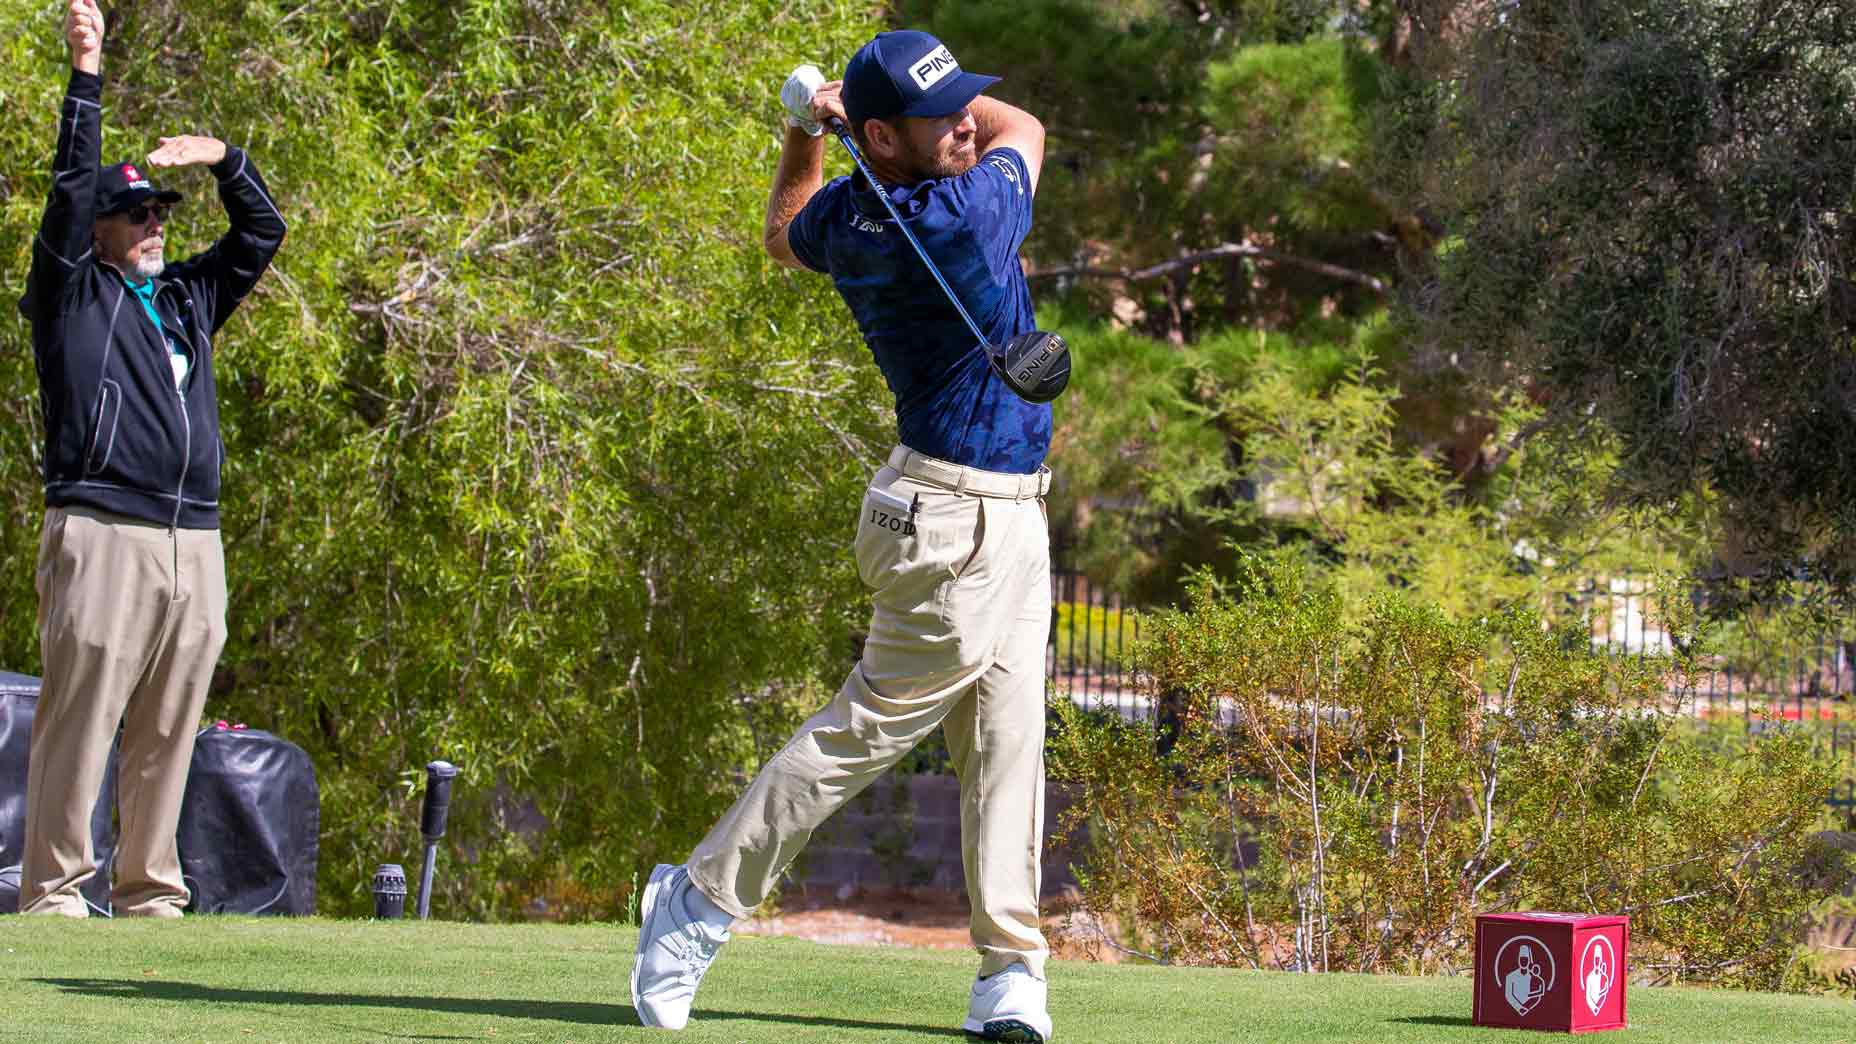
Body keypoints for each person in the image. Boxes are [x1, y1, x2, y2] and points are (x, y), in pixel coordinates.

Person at [631, 29, 1055, 1042]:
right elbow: (1024, 125)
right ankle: (694, 900)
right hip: (957, 523)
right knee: (865, 728)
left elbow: (781, 231)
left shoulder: (855, 217)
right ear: (883, 135)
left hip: (991, 511)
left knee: (1007, 742)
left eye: (962, 103)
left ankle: (1009, 971)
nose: (964, 120)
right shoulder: (966, 209)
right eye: (938, 112)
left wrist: (804, 133)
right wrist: (844, 118)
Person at [16, 0, 286, 918]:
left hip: (192, 542)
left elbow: (262, 235)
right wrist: (86, 75)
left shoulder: (182, 299)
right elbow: (65, 188)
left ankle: (148, 892)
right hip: (102, 528)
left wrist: (224, 161)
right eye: (132, 215)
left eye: (157, 211)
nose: (152, 224)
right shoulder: (71, 295)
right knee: (80, 721)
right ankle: (53, 890)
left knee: (170, 727)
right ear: (98, 231)